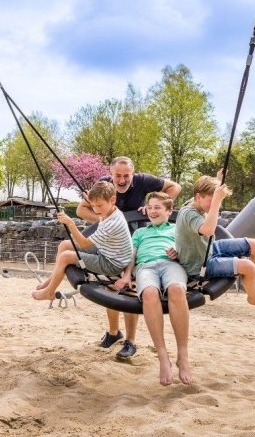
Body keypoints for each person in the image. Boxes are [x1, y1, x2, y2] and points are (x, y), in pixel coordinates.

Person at [76, 156, 181, 360]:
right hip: (113, 239)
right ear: (110, 173)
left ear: (133, 173)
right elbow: (81, 209)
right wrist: (106, 218)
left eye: (126, 176)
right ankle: (114, 332)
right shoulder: (104, 185)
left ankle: (131, 341)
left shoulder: (143, 181)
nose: (122, 180)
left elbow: (174, 187)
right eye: (118, 176)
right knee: (109, 285)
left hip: (136, 239)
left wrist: (153, 207)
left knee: (127, 290)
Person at [174, 173, 255, 313]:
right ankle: (253, 297)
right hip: (199, 265)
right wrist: (216, 203)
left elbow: (206, 191)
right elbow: (208, 230)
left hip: (209, 248)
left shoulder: (197, 199)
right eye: (212, 200)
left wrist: (218, 180)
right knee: (249, 267)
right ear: (198, 197)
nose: (216, 203)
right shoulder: (189, 213)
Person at [114, 191, 191, 385]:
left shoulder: (177, 230)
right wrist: (126, 275)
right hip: (146, 266)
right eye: (150, 208)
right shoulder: (140, 232)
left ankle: (183, 355)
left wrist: (178, 254)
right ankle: (163, 357)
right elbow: (131, 256)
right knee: (149, 293)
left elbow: (191, 251)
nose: (153, 211)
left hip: (171, 265)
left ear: (169, 211)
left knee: (176, 290)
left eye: (158, 208)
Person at [32, 180, 132, 303]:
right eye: (93, 205)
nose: (95, 209)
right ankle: (51, 279)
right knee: (64, 245)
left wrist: (70, 223)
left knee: (65, 257)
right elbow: (98, 200)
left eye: (99, 205)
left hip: (111, 264)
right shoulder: (110, 210)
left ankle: (49, 292)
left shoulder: (112, 224)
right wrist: (93, 198)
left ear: (112, 200)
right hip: (106, 250)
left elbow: (83, 243)